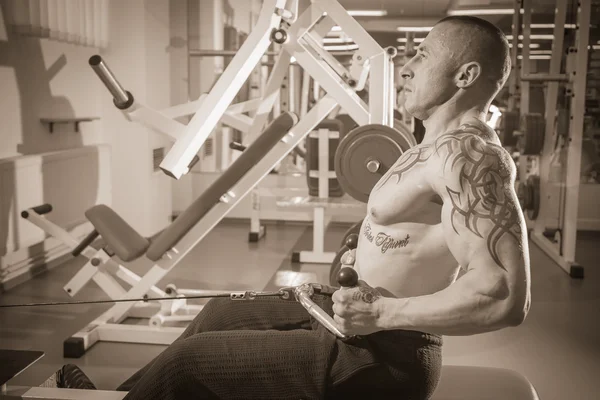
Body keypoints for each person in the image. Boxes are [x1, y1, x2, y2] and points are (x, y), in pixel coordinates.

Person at [52, 15, 531, 400]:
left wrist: (382, 312)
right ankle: (122, 396)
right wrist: (357, 255)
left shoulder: (470, 157)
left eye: (422, 56)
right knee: (219, 314)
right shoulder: (429, 143)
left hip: (382, 358)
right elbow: (405, 235)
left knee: (189, 364)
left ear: (465, 75)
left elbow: (503, 294)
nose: (406, 66)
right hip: (350, 321)